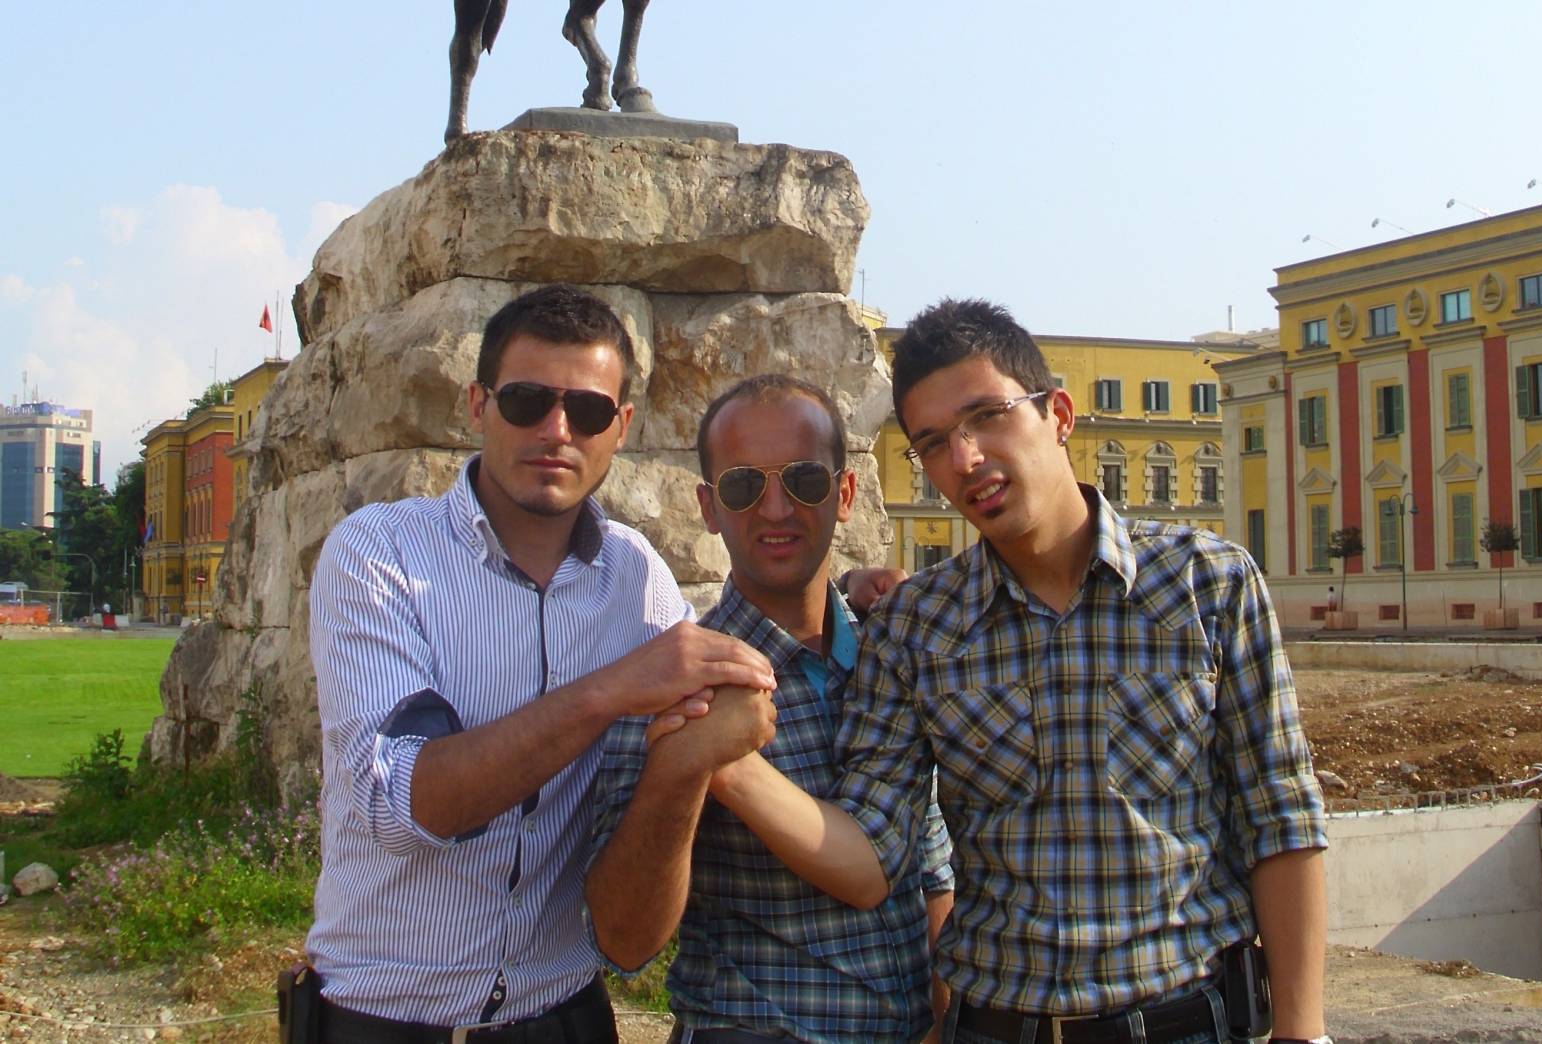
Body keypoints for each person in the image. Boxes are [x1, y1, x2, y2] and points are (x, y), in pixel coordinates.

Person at [714, 300, 1331, 1044]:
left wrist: (1303, 1030)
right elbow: (872, 856)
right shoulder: (917, 628)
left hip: (1184, 1019)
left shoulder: (1209, 584)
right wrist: (724, 762)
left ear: (1058, 414)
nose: (966, 459)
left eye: (986, 417)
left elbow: (1280, 817)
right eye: (933, 443)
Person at [307, 285, 778, 1043]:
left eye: (588, 411)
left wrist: (859, 600)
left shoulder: (635, 577)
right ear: (477, 405)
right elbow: (401, 805)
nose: (557, 430)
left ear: (621, 428)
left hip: (562, 1012)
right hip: (386, 1015)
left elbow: (715, 672)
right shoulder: (379, 552)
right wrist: (606, 692)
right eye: (527, 401)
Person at [586, 375, 956, 1043]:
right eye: (743, 486)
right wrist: (684, 766)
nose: (777, 509)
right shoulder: (668, 685)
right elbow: (624, 941)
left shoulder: (890, 655)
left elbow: (932, 874)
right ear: (708, 506)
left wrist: (945, 1020)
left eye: (805, 480)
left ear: (845, 495)